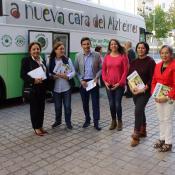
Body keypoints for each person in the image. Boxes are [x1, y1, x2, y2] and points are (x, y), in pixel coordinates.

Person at [128, 42, 156, 146]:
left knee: (138, 110)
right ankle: (143, 130)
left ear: (146, 49)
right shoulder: (134, 62)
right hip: (135, 90)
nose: (140, 49)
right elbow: (129, 76)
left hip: (145, 91)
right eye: (139, 48)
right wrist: (131, 87)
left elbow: (152, 77)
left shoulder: (150, 61)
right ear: (136, 49)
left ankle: (136, 134)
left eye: (143, 48)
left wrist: (144, 88)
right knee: (140, 110)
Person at [20, 42, 48, 136]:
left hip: (42, 88)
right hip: (33, 88)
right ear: (30, 51)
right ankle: (36, 127)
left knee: (41, 108)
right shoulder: (26, 60)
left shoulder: (42, 59)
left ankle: (40, 126)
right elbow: (22, 75)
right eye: (34, 49)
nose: (36, 51)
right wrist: (33, 80)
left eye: (38, 49)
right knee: (35, 109)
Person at [74, 37, 102, 131]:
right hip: (84, 83)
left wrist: (97, 77)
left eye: (88, 44)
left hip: (93, 82)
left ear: (90, 44)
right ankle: (87, 119)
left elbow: (101, 68)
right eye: (84, 44)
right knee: (85, 103)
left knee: (95, 103)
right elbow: (76, 70)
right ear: (81, 45)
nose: (86, 46)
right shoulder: (78, 56)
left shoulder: (97, 55)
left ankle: (96, 122)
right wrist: (81, 80)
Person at [151, 45, 175, 152]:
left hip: (169, 98)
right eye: (162, 53)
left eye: (166, 53)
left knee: (167, 120)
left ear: (171, 54)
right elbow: (154, 81)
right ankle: (162, 139)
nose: (164, 55)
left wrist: (166, 97)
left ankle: (168, 142)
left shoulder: (174, 66)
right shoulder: (157, 65)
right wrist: (154, 94)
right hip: (158, 97)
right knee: (161, 119)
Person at [102, 39, 129, 131]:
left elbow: (125, 71)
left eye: (115, 44)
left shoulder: (123, 56)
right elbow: (103, 71)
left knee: (117, 104)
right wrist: (105, 82)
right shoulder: (107, 57)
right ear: (109, 46)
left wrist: (120, 83)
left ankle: (120, 121)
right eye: (112, 44)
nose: (113, 45)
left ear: (118, 45)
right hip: (109, 84)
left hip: (119, 85)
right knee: (111, 104)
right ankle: (113, 121)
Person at [49, 42, 75, 130]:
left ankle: (68, 122)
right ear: (55, 50)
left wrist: (67, 76)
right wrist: (52, 76)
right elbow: (48, 72)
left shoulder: (68, 60)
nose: (62, 50)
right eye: (60, 49)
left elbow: (73, 72)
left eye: (63, 48)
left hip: (66, 88)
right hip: (56, 88)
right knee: (57, 106)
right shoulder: (51, 60)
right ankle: (58, 121)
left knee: (67, 107)